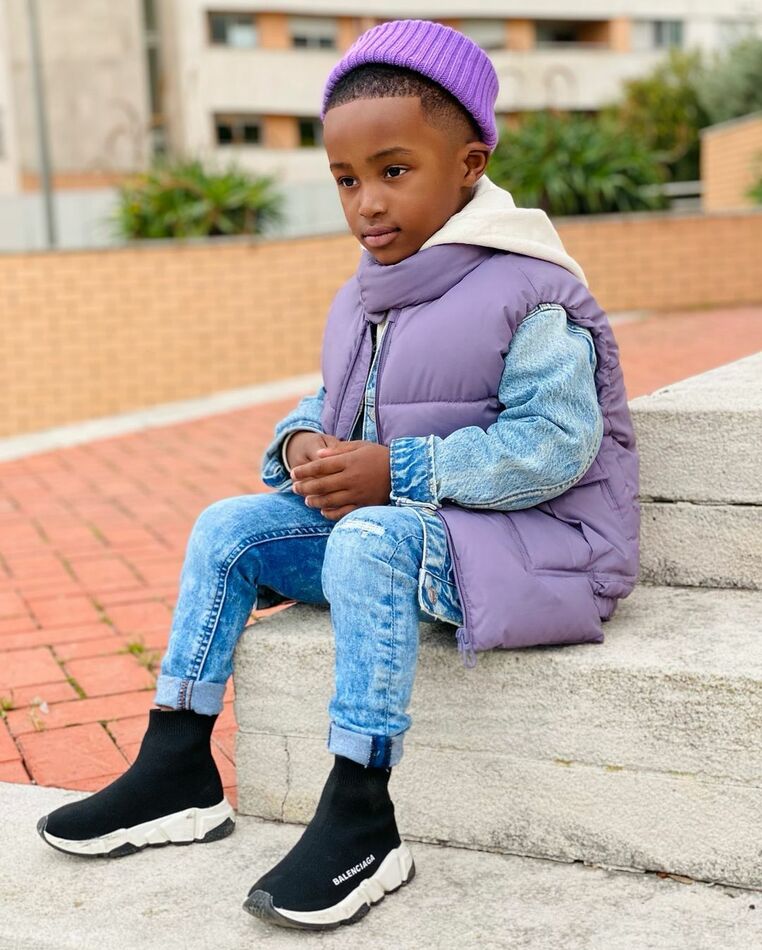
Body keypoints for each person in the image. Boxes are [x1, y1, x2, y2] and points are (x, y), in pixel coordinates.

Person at [35, 18, 639, 932]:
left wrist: (400, 469)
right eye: (347, 179)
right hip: (419, 532)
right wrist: (300, 446)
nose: (367, 203)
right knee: (229, 528)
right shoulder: (365, 294)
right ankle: (177, 765)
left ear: (469, 165)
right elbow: (331, 401)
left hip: (543, 548)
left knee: (369, 540)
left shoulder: (531, 289)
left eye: (394, 171)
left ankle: (362, 811)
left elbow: (558, 444)